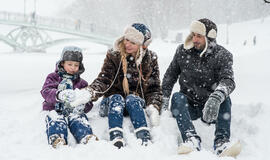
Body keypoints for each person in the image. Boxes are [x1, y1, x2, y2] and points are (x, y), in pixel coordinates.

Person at [70, 23, 162, 149]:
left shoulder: (150, 59)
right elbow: (104, 80)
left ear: (142, 46)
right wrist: (90, 92)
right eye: (127, 39)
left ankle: (143, 136)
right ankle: (116, 136)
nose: (127, 44)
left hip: (134, 105)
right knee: (117, 98)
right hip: (111, 103)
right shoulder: (114, 55)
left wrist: (154, 106)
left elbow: (154, 88)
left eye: (133, 43)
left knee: (132, 98)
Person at [162, 18, 237, 156]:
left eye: (199, 36)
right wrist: (164, 99)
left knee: (225, 99)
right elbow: (170, 76)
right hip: (188, 107)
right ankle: (191, 139)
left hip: (211, 108)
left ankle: (222, 142)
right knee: (177, 97)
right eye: (193, 35)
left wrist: (216, 98)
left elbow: (228, 80)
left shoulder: (222, 55)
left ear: (210, 38)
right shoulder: (182, 51)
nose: (194, 39)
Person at [41, 46, 98, 148]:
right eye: (70, 64)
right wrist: (58, 95)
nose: (73, 68)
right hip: (54, 109)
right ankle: (57, 138)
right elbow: (46, 91)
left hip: (73, 111)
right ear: (62, 63)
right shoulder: (53, 77)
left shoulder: (82, 83)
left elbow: (88, 101)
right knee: (56, 119)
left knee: (79, 119)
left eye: (76, 65)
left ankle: (86, 136)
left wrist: (83, 105)